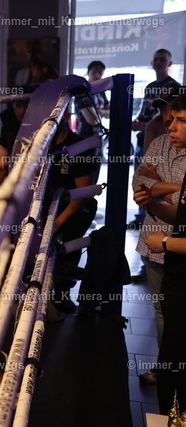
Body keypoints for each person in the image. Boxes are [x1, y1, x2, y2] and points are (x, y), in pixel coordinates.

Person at [133, 94, 186, 416]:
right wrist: (169, 189)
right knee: (163, 312)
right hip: (154, 242)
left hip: (171, 244)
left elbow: (179, 206)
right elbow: (141, 183)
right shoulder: (159, 143)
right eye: (169, 116)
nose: (170, 123)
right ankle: (166, 368)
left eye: (180, 119)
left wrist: (160, 185)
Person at [47, 109, 99, 314]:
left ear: (66, 116)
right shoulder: (37, 144)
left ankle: (62, 292)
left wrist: (58, 222)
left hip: (74, 205)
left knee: (66, 242)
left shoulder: (79, 146)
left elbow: (82, 194)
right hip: (44, 204)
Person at [129, 49, 181, 229]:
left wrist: (161, 187)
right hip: (144, 137)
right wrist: (139, 123)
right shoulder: (150, 87)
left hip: (172, 224)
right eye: (156, 59)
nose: (169, 119)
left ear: (169, 64)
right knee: (145, 174)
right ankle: (143, 214)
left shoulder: (175, 86)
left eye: (162, 60)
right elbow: (141, 180)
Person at [74, 61, 109, 139]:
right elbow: (93, 120)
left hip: (99, 135)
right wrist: (104, 113)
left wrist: (100, 112)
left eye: (100, 73)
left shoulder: (101, 92)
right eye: (94, 72)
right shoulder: (82, 92)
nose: (97, 75)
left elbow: (112, 113)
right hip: (83, 137)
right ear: (88, 72)